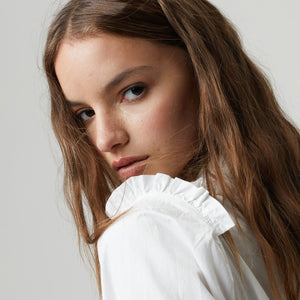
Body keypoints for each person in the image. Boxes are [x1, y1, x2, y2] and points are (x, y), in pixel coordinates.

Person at [43, 0, 300, 299]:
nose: (104, 139)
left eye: (133, 91)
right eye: (86, 113)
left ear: (204, 72)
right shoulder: (272, 207)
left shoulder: (148, 231)